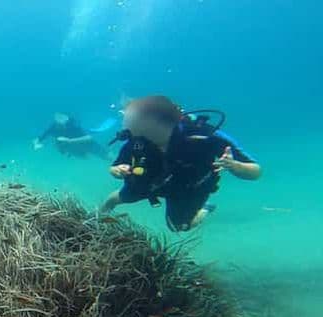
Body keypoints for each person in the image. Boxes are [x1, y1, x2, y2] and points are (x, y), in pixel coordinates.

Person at [100, 95, 261, 231]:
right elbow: (115, 165)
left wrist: (235, 166)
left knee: (180, 227)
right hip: (149, 182)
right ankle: (96, 225)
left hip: (187, 188)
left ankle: (205, 208)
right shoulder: (137, 140)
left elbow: (255, 171)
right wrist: (116, 169)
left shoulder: (207, 136)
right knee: (112, 199)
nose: (126, 127)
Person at [32, 112, 110, 159]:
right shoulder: (53, 127)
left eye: (62, 123)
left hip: (88, 145)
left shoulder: (73, 126)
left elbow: (89, 138)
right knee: (83, 159)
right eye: (57, 122)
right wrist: (36, 144)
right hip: (75, 149)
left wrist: (70, 141)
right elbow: (39, 138)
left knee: (107, 157)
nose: (60, 125)